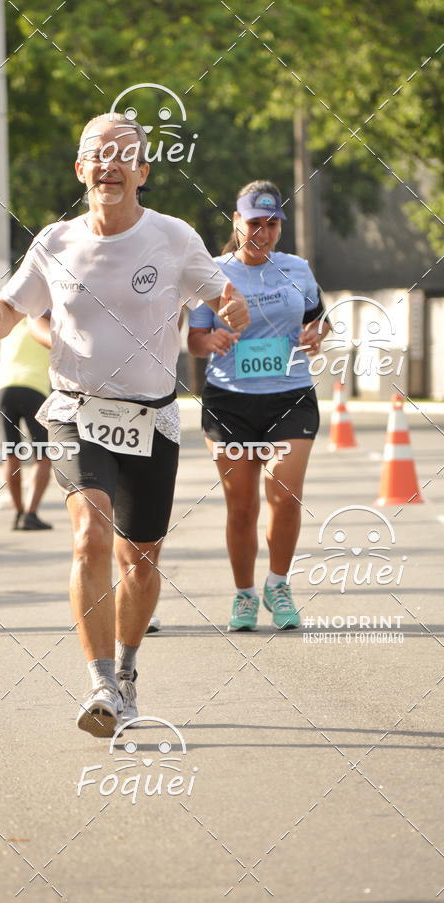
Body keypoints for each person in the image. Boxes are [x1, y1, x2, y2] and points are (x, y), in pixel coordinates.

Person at [0, 112, 249, 737]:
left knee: (140, 561)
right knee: (88, 534)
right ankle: (97, 682)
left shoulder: (173, 238)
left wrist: (233, 305)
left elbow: (224, 294)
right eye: (97, 154)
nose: (109, 164)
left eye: (124, 155)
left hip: (151, 419)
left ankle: (125, 671)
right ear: (81, 169)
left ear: (143, 172)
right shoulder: (56, 242)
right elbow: (11, 312)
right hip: (75, 412)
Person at [188, 180, 328, 632]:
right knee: (242, 505)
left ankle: (279, 583)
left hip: (290, 397)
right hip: (229, 403)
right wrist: (210, 339)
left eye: (271, 225)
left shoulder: (298, 270)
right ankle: (245, 594)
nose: (262, 233)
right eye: (254, 223)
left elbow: (318, 319)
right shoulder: (212, 272)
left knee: (284, 497)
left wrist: (316, 336)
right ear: (236, 221)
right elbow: (192, 339)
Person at [0, 315, 54, 530]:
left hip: (3, 387)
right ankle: (30, 513)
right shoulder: (48, 324)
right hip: (34, 388)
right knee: (43, 456)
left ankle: (17, 513)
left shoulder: (11, 321)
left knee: (11, 453)